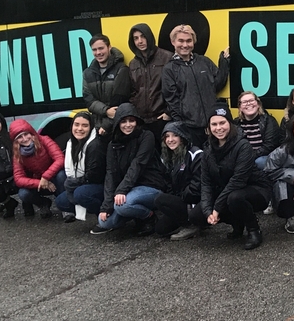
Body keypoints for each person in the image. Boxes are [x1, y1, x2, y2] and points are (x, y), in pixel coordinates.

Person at [189, 103, 271, 250]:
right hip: (227, 192)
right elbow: (206, 182)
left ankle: (254, 230)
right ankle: (237, 223)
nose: (218, 128)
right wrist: (208, 211)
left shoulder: (243, 146)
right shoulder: (207, 150)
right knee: (197, 215)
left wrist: (217, 209)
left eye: (222, 122)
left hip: (255, 190)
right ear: (209, 128)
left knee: (234, 198)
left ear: (230, 124)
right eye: (214, 124)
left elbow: (238, 181)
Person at [92, 103, 167, 236]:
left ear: (137, 121)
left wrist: (121, 190)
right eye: (123, 121)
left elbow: (138, 164)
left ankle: (149, 216)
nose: (128, 125)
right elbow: (110, 174)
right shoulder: (112, 144)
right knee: (104, 222)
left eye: (131, 120)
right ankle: (134, 214)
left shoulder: (146, 136)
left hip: (150, 185)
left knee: (123, 205)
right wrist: (106, 206)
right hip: (128, 189)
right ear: (117, 123)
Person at [161, 24, 230, 148]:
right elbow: (171, 100)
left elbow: (218, 84)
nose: (185, 45)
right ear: (173, 42)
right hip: (190, 129)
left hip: (213, 126)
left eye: (189, 41)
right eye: (181, 41)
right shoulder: (169, 69)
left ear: (193, 42)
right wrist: (182, 126)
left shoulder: (204, 61)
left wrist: (224, 63)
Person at [153, 122, 202, 241]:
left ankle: (192, 225)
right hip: (181, 200)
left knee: (159, 199)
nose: (170, 140)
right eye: (167, 136)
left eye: (175, 135)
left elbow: (199, 182)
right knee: (160, 229)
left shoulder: (195, 154)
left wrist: (185, 198)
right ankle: (186, 221)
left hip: (196, 201)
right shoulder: (166, 157)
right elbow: (167, 183)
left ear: (182, 137)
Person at [9, 119, 66, 219]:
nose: (24, 139)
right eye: (20, 137)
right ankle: (43, 203)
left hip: (54, 177)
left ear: (32, 133)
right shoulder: (17, 154)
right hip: (39, 183)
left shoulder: (45, 140)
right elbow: (18, 179)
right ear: (15, 141)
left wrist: (46, 177)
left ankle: (65, 206)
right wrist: (40, 182)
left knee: (61, 175)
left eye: (26, 134)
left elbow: (60, 159)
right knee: (23, 193)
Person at [55, 112, 106, 222]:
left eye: (85, 125)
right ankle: (88, 206)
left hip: (102, 185)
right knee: (61, 202)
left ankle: (105, 214)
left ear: (91, 127)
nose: (79, 128)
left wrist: (74, 183)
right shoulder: (71, 143)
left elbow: (95, 176)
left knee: (80, 194)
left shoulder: (95, 145)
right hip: (84, 182)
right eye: (76, 124)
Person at [128, 23, 173, 146]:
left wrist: (169, 112)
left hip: (162, 118)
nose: (140, 41)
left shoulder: (167, 57)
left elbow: (177, 88)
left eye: (143, 36)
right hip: (142, 121)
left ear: (150, 37)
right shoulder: (133, 64)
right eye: (136, 38)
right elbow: (133, 91)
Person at [82, 34, 131, 136]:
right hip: (96, 126)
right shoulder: (87, 73)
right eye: (94, 50)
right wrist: (106, 111)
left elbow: (119, 102)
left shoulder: (122, 69)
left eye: (101, 48)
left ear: (109, 48)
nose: (98, 52)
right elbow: (88, 100)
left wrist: (106, 125)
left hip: (117, 126)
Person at [234, 91, 282, 170]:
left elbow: (269, 146)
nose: (248, 104)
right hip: (242, 158)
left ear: (258, 104)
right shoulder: (236, 123)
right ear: (240, 107)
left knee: (259, 162)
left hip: (262, 158)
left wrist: (249, 157)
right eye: (245, 102)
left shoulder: (269, 121)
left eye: (251, 100)